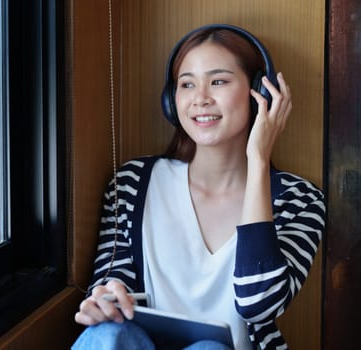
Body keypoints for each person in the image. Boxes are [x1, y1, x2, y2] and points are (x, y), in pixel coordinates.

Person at [71, 24, 326, 350]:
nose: (200, 98)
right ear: (171, 100)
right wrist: (106, 297)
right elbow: (115, 277)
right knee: (107, 335)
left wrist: (259, 159)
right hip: (137, 343)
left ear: (259, 94)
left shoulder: (300, 199)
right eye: (187, 84)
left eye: (218, 81)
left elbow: (259, 305)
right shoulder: (133, 182)